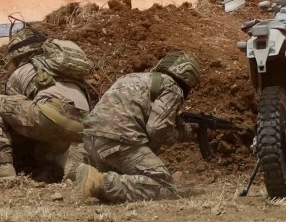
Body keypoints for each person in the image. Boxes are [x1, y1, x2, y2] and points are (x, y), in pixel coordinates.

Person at [77, 50, 202, 202]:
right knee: (166, 187)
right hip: (119, 141)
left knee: (131, 181)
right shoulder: (172, 87)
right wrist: (180, 134)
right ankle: (98, 182)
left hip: (91, 139)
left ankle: (99, 179)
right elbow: (157, 129)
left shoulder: (132, 77)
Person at [0, 27, 92, 181]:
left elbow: (13, 118)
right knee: (43, 149)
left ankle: (3, 167)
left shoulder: (21, 71)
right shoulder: (66, 71)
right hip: (83, 124)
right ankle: (67, 160)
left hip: (50, 114)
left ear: (17, 56)